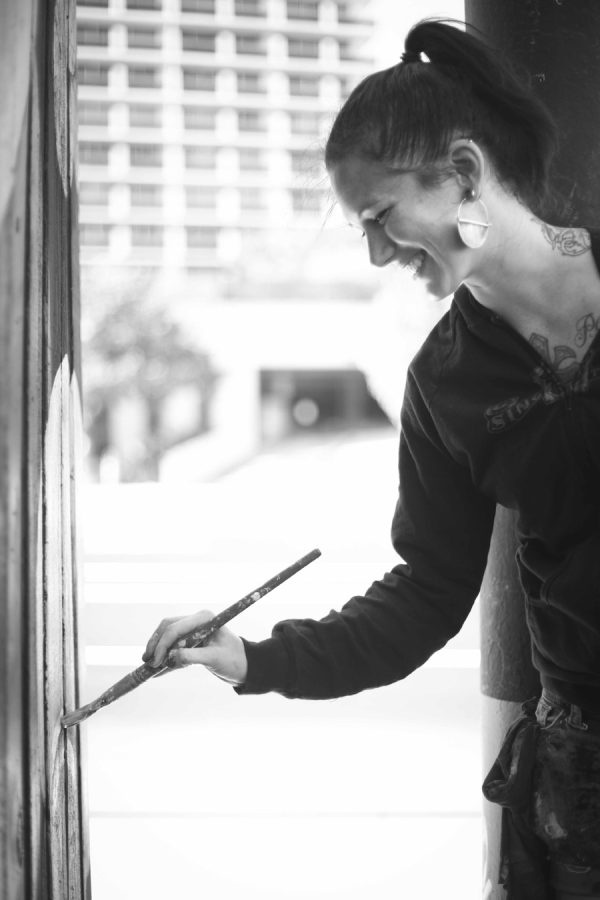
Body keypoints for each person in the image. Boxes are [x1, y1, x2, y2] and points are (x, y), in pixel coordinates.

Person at [143, 20, 600, 899]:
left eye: (381, 218)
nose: (377, 252)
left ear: (463, 173)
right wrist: (255, 659)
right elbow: (426, 593)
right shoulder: (444, 382)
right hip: (584, 769)